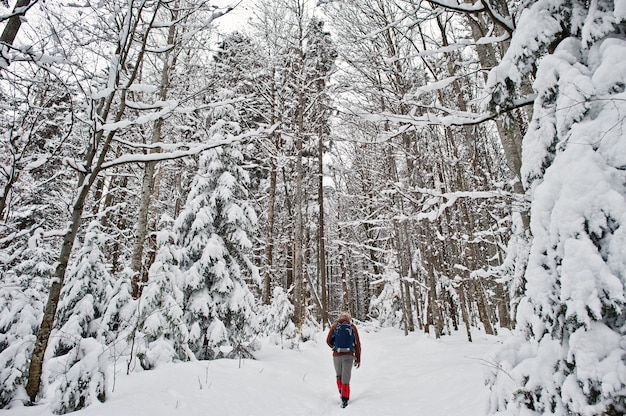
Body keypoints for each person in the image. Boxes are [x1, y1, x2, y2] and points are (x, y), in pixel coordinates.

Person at [326, 311, 361, 408]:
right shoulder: (352, 327)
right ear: (349, 318)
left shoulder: (334, 326)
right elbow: (358, 344)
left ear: (340, 317)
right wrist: (358, 358)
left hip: (336, 356)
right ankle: (345, 399)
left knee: (339, 376)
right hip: (349, 355)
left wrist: (335, 347)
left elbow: (328, 340)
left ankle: (341, 391)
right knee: (346, 378)